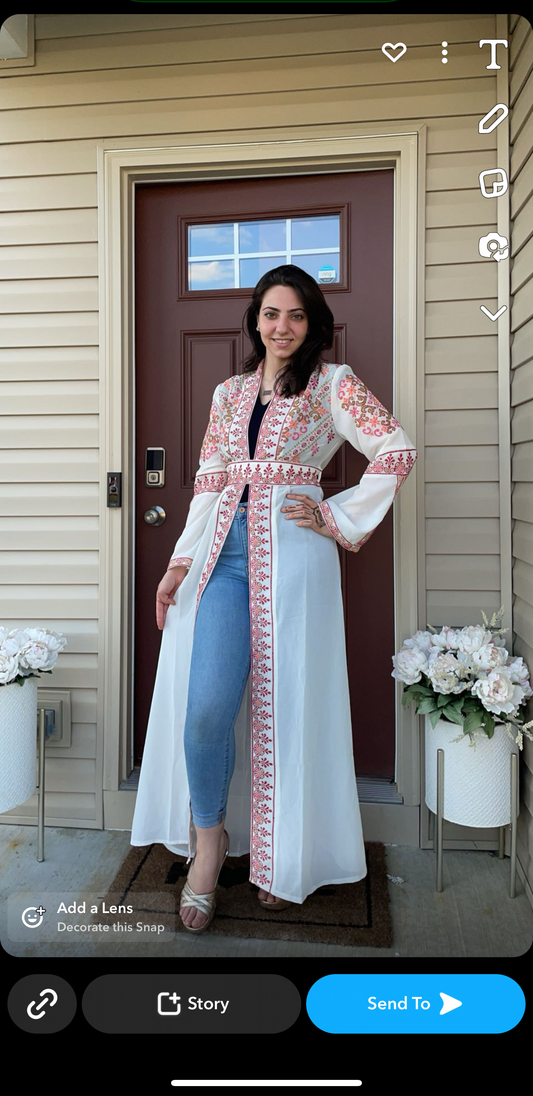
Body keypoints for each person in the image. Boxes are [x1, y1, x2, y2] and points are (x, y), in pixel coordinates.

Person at [130, 264, 417, 933]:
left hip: (293, 565)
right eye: (270, 314)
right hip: (221, 566)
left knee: (289, 711)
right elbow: (208, 483)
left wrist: (336, 515)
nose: (281, 326)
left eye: (294, 315)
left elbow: (394, 450)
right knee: (205, 710)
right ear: (254, 321)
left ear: (312, 323)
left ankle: (286, 859)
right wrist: (178, 563)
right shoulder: (227, 393)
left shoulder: (332, 383)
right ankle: (209, 844)